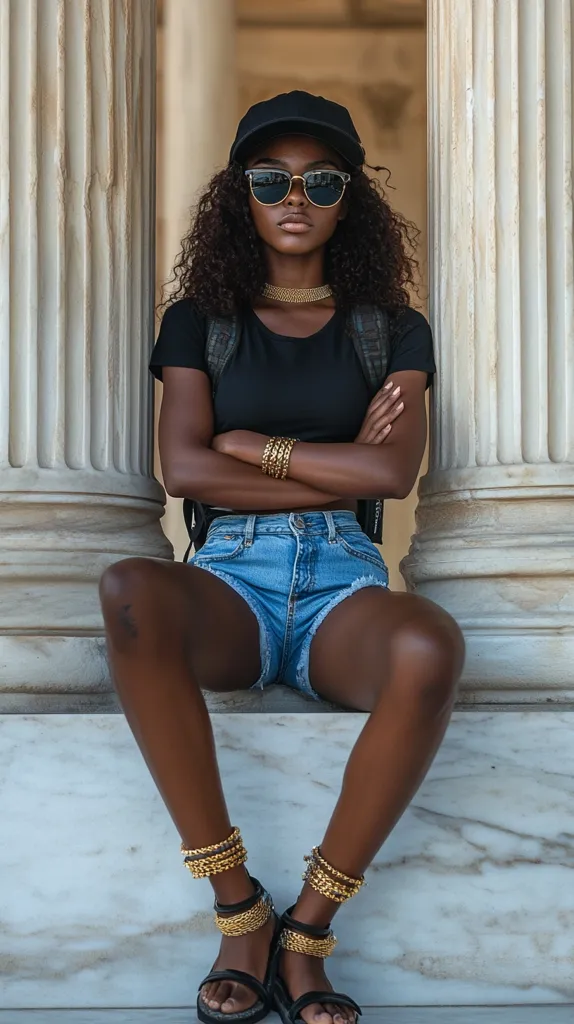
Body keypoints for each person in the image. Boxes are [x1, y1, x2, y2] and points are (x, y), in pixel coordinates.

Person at [99, 92, 465, 1024]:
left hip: (345, 578)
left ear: (351, 199)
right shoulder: (201, 320)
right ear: (240, 196)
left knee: (428, 647)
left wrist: (251, 445)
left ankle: (307, 931)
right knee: (131, 591)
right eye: (270, 179)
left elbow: (392, 469)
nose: (293, 196)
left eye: (320, 180)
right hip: (231, 578)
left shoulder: (391, 327)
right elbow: (183, 468)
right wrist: (328, 471)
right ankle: (238, 908)